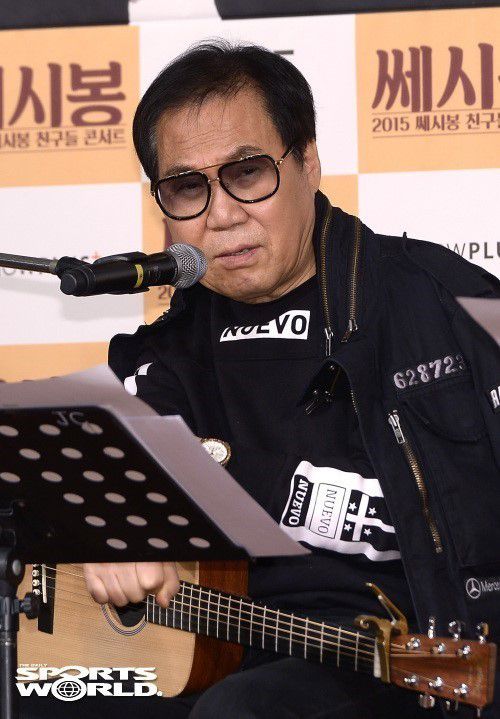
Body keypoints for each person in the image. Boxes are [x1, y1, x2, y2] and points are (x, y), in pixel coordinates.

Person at [23, 41, 500, 719]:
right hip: (212, 651)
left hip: (409, 666)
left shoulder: (445, 301)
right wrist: (99, 525)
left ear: (308, 161)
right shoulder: (166, 352)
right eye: (188, 187)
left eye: (247, 173)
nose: (221, 215)